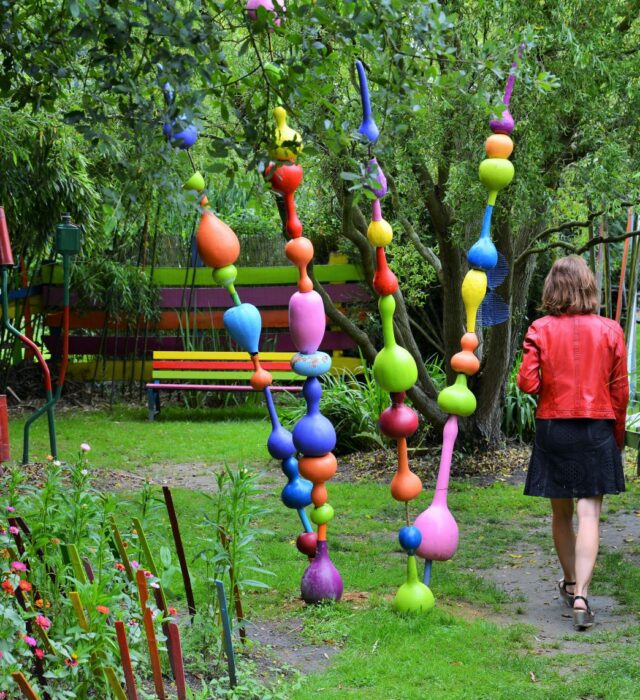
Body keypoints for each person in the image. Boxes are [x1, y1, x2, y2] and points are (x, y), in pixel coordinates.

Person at [517, 255, 628, 630]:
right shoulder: (611, 330)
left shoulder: (540, 328)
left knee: (561, 512)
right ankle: (581, 594)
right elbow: (620, 392)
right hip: (597, 427)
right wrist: (616, 437)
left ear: (553, 288)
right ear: (589, 287)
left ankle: (567, 582)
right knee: (590, 513)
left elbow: (528, 384)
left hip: (554, 427)